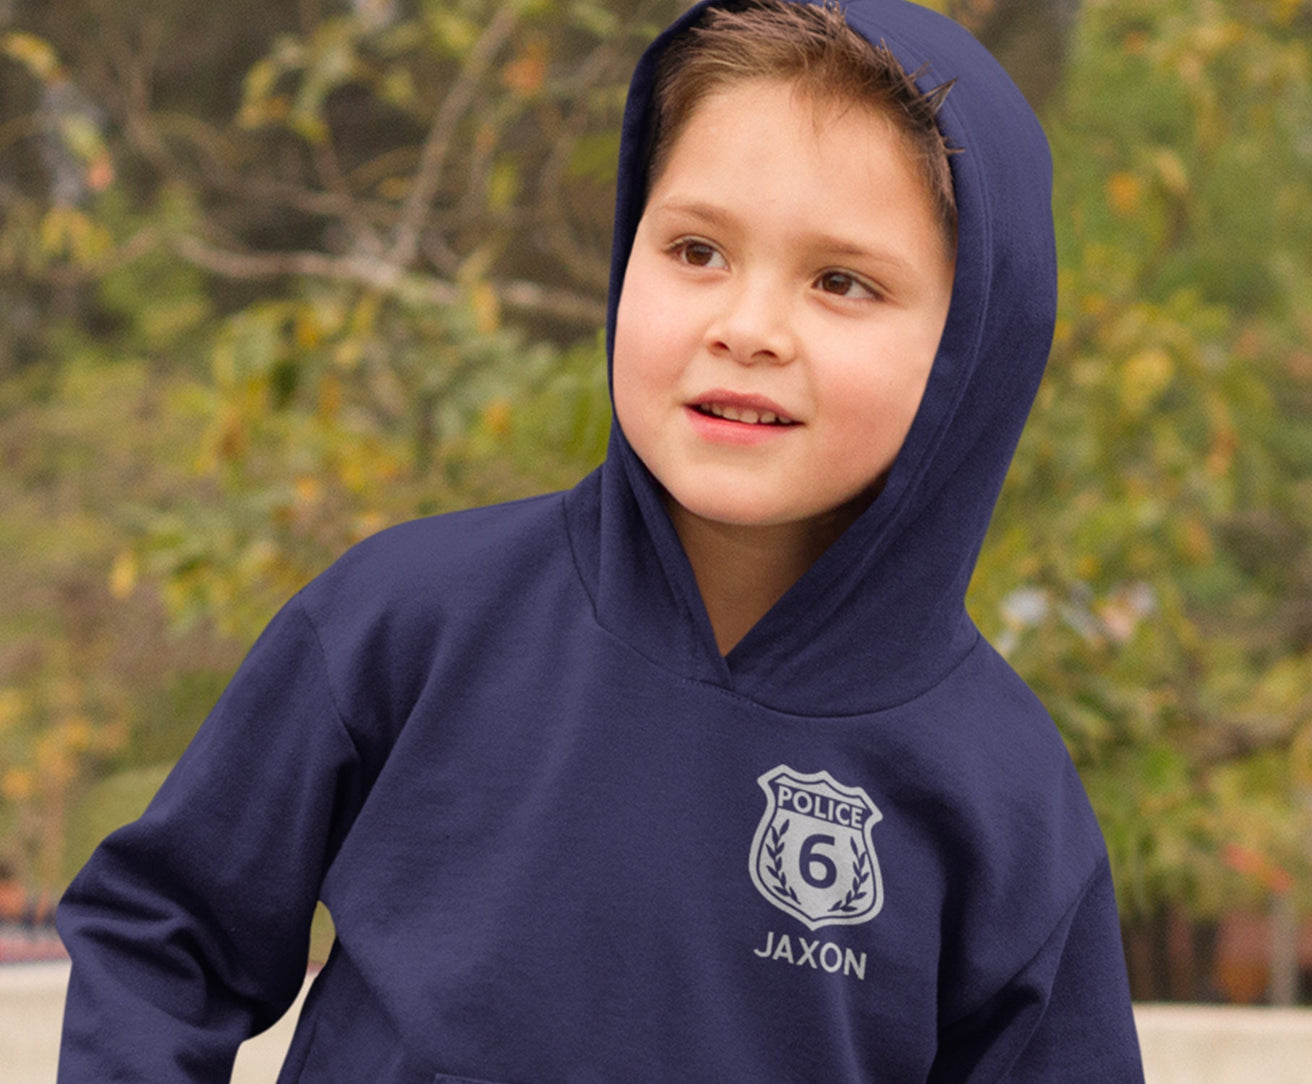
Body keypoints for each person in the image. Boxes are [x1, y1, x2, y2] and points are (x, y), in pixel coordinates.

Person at [57, 0, 1145, 1079]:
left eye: (840, 281)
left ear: (973, 346)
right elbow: (164, 937)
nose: (746, 327)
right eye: (696, 249)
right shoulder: (410, 619)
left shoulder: (1005, 798)